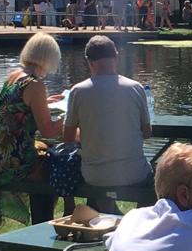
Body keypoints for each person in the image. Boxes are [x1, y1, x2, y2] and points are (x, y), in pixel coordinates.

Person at [0, 33, 65, 241]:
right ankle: (43, 227)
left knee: (47, 155)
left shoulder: (13, 77)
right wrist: (71, 115)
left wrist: (46, 101)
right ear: (49, 58)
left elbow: (18, 107)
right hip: (16, 159)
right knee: (55, 165)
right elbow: (50, 131)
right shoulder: (36, 85)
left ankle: (42, 225)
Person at [64, 36, 153, 214]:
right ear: (117, 56)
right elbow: (147, 132)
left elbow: (67, 138)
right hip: (133, 173)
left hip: (93, 176)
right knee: (155, 179)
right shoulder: (136, 88)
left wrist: (89, 131)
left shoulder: (77, 91)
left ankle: (107, 212)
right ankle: (137, 220)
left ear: (88, 61)